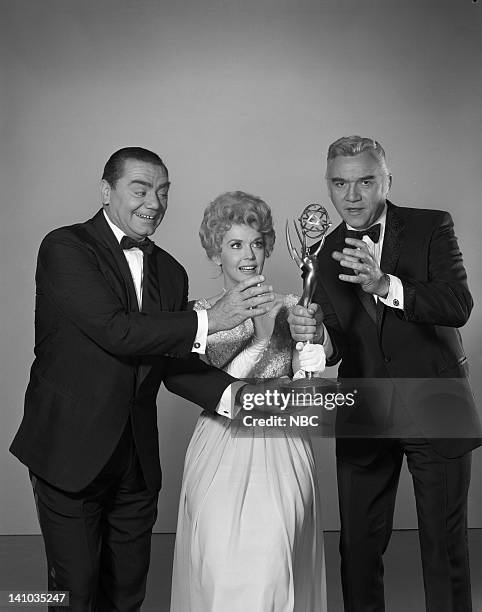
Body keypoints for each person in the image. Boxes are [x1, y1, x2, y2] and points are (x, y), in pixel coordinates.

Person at [9, 148, 275, 611]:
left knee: (128, 591)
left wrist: (244, 401)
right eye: (141, 188)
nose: (154, 201)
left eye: (163, 191)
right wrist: (211, 319)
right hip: (69, 451)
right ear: (106, 191)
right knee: (73, 590)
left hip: (135, 461)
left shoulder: (170, 271)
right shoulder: (65, 247)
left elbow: (171, 363)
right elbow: (116, 330)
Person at [289, 136, 481, 611]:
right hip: (364, 409)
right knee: (357, 546)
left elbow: (458, 306)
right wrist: (314, 336)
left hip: (436, 402)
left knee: (444, 545)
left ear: (386, 181)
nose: (351, 196)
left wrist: (384, 285)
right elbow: (336, 343)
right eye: (340, 183)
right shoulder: (324, 250)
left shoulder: (430, 226)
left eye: (364, 181)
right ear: (328, 185)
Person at [170, 191, 327, 612]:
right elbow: (204, 383)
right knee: (218, 567)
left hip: (282, 445)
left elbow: (306, 388)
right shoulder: (198, 313)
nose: (249, 255)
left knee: (275, 566)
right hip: (220, 445)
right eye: (235, 244)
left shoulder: (294, 305)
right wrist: (259, 341)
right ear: (215, 252)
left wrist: (312, 356)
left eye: (256, 243)